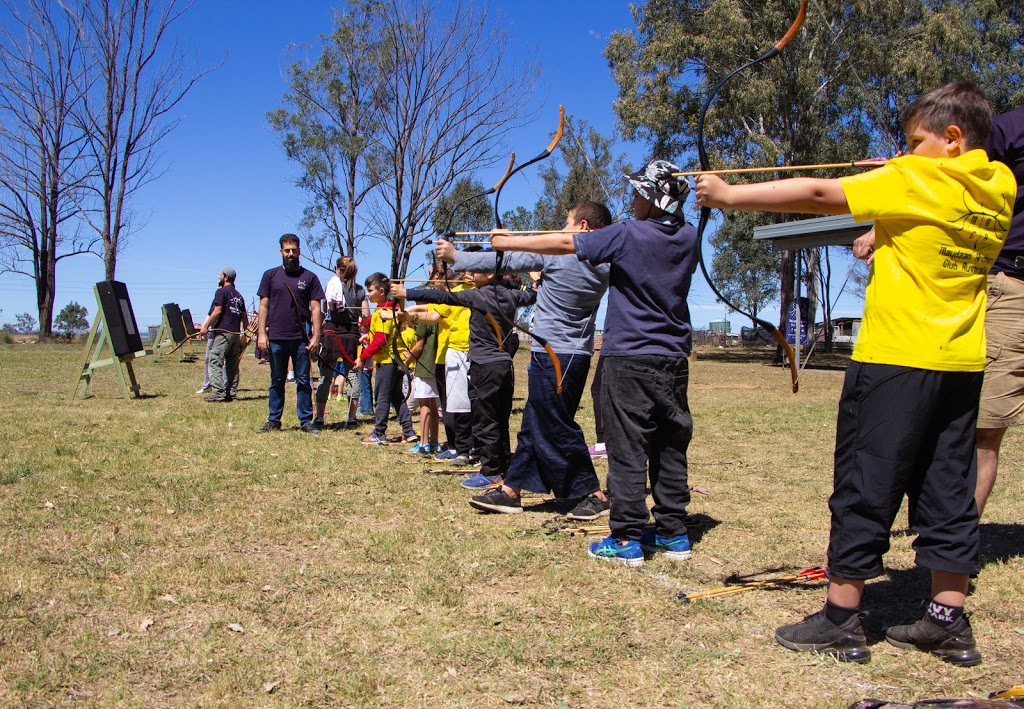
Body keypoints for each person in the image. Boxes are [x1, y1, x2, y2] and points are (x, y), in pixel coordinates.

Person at [696, 81, 1014, 666]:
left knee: (865, 483)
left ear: (950, 139)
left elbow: (819, 191)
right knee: (949, 489)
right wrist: (889, 210)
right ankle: (947, 620)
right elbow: (932, 227)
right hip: (961, 363)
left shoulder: (914, 179)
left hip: (895, 360)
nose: (904, 151)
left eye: (913, 141)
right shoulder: (998, 184)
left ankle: (842, 618)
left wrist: (727, 196)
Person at [489, 160, 697, 565]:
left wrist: (509, 243)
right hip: (673, 357)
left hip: (630, 356)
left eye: (639, 193)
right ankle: (673, 532)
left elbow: (568, 245)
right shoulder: (689, 235)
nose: (633, 200)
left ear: (655, 200)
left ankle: (626, 539)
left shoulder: (626, 233)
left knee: (628, 446)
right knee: (669, 444)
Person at [436, 201, 613, 518]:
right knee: (534, 422)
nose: (561, 230)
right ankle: (510, 490)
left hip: (554, 354)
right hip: (573, 353)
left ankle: (594, 494)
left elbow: (508, 260)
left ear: (584, 227)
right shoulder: (603, 259)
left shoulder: (562, 252)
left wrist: (457, 256)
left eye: (567, 223)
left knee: (555, 424)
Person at [394, 271, 536, 488]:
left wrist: (406, 292)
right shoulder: (511, 295)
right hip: (503, 364)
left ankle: (491, 472)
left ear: (489, 274)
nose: (469, 274)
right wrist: (536, 279)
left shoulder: (477, 296)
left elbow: (443, 298)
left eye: (475, 269)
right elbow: (533, 295)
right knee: (500, 418)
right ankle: (504, 466)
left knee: (486, 420)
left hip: (484, 365)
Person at [975, 106, 1024, 515]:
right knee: (979, 427)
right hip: (1005, 285)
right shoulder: (1010, 129)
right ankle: (950, 546)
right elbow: (948, 184)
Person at [256, 234, 325, 434]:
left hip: (301, 339)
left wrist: (316, 336)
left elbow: (316, 309)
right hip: (276, 336)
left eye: (294, 250)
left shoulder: (309, 277)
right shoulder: (270, 276)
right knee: (277, 380)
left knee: (303, 381)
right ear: (281, 252)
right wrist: (262, 333)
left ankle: (305, 421)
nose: (291, 254)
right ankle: (274, 420)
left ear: (299, 251)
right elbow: (263, 306)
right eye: (287, 250)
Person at [352, 273, 417, 445]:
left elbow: (382, 339)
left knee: (382, 396)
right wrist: (368, 337)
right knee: (396, 396)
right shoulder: (384, 309)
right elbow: (380, 335)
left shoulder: (385, 311)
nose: (367, 294)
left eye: (370, 290)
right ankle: (408, 431)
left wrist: (363, 357)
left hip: (388, 361)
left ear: (381, 291)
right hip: (392, 360)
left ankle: (379, 433)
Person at [315, 255, 369, 429]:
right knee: (353, 376)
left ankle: (319, 417)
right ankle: (352, 417)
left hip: (331, 333)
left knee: (325, 376)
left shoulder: (331, 287)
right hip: (351, 336)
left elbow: (325, 309)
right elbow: (366, 315)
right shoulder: (360, 291)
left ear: (338, 269)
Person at [199, 268, 248, 402]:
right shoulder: (239, 296)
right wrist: (246, 334)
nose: (218, 277)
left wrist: (205, 327)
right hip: (235, 334)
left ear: (226, 277)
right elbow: (244, 317)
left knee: (214, 360)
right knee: (232, 365)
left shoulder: (221, 292)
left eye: (220, 275)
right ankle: (231, 393)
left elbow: (217, 311)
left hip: (223, 333)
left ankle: (218, 392)